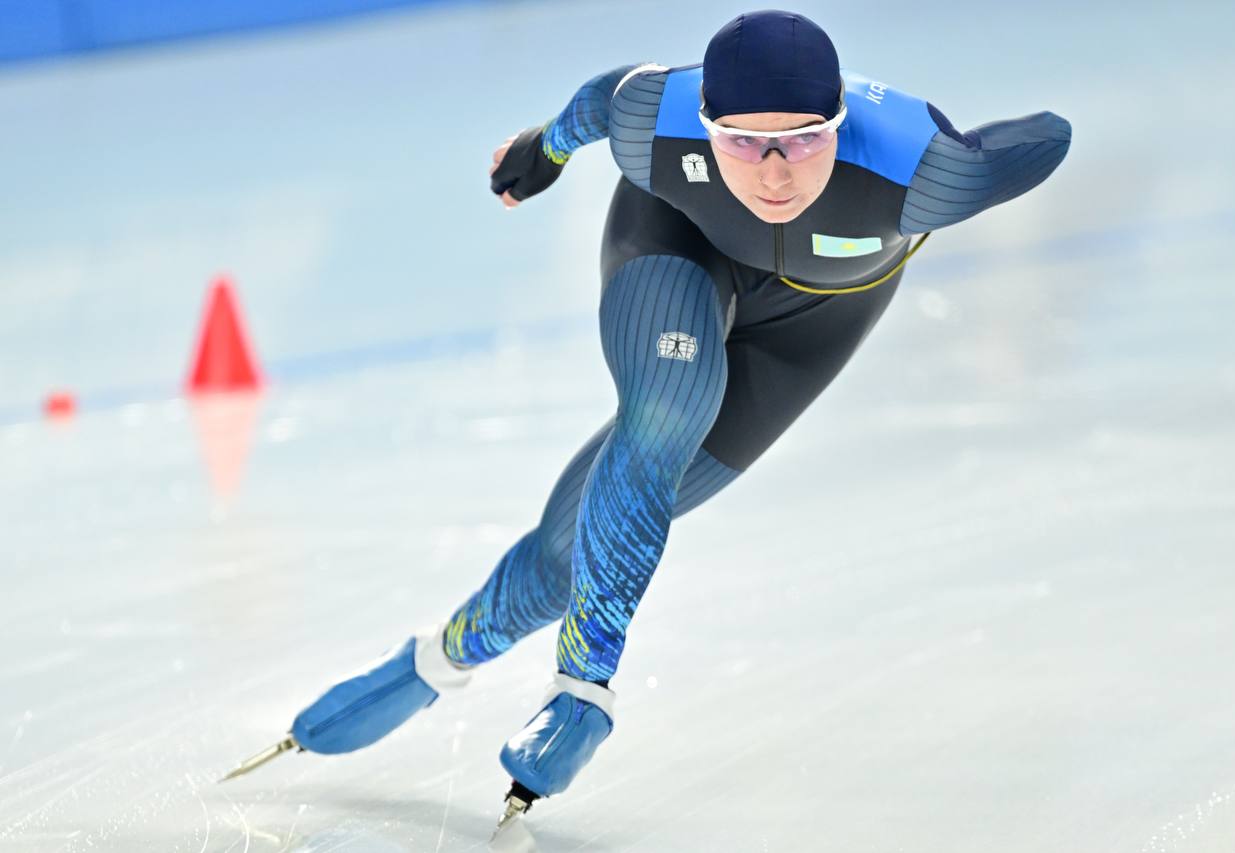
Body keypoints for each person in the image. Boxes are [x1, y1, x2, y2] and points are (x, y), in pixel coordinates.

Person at [224, 8, 1071, 835]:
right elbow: (596, 102)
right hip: (677, 245)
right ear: (705, 126)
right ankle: (583, 689)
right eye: (743, 141)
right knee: (668, 404)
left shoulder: (926, 170)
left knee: (564, 558)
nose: (775, 172)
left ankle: (427, 664)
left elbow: (1043, 135)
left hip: (814, 322)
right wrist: (541, 150)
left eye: (805, 139)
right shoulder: (653, 122)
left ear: (841, 123)